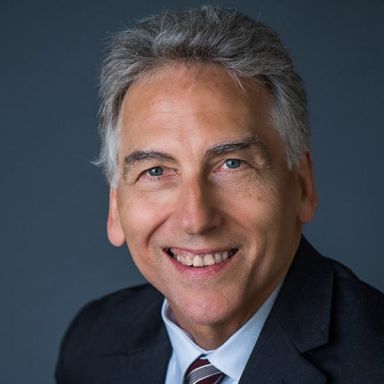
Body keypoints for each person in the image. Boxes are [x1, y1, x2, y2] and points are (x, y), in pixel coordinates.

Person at [56, 6, 384, 383]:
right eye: (156, 171)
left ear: (302, 186)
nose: (195, 219)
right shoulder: (92, 348)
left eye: (232, 164)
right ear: (116, 206)